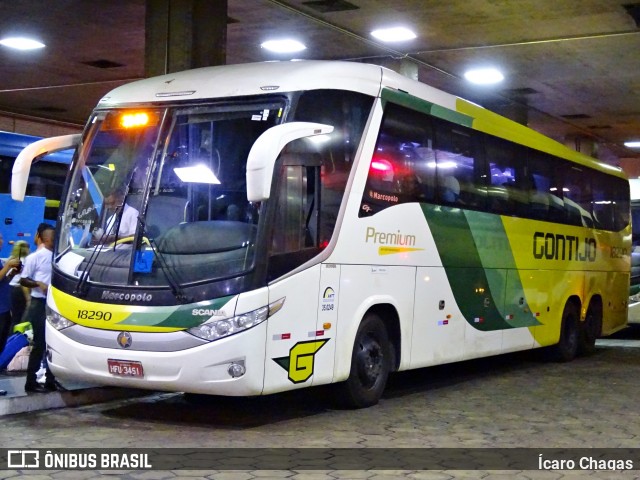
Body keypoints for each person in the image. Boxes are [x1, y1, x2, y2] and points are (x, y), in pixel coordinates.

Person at [20, 223, 57, 393]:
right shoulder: (35, 257)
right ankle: (31, 381)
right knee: (40, 343)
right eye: (52, 236)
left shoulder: (58, 257)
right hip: (39, 303)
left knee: (53, 343)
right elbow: (23, 279)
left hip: (54, 304)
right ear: (45, 238)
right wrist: (38, 283)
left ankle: (51, 379)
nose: (54, 239)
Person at [0, 233, 22, 353]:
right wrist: (8, 266)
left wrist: (12, 273)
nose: (1, 241)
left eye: (2, 238)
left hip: (4, 309)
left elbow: (2, 281)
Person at [8, 240, 30, 327]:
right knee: (19, 318)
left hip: (9, 289)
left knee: (13, 317)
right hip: (19, 291)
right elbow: (23, 280)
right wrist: (28, 298)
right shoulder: (25, 261)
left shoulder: (11, 259)